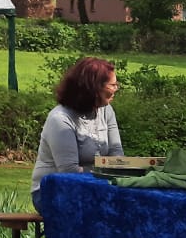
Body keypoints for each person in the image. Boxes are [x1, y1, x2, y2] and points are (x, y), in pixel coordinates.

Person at [32, 57, 123, 193]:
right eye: (112, 85)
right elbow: (69, 172)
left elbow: (116, 153)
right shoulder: (60, 119)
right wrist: (108, 172)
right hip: (55, 191)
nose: (116, 89)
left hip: (96, 186)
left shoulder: (106, 110)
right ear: (94, 88)